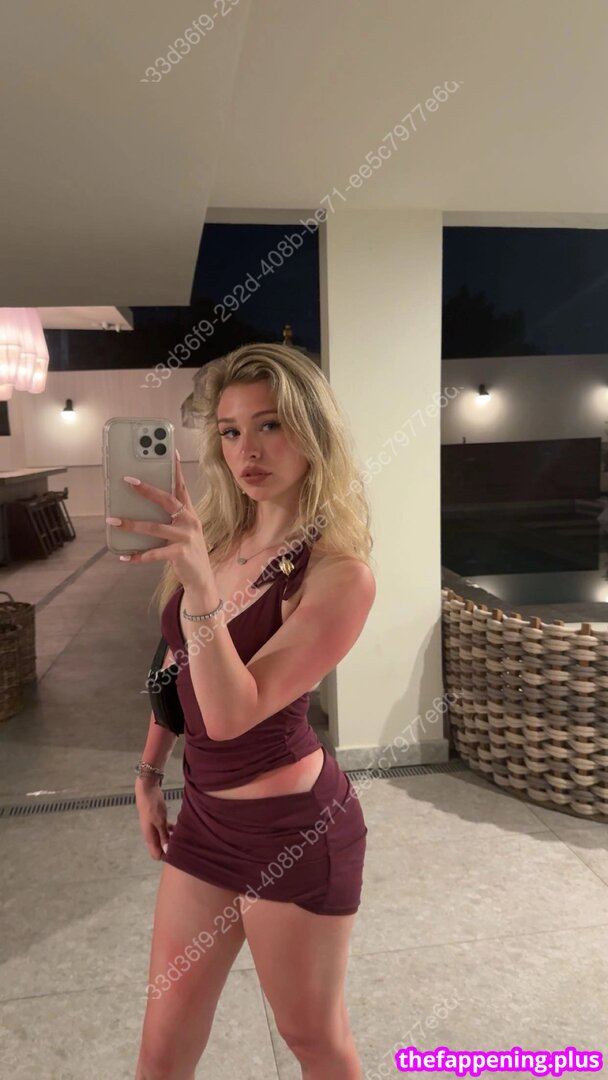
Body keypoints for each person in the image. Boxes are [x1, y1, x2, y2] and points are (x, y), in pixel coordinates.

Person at [123, 343, 376, 1079]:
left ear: (312, 432)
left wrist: (201, 588)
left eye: (269, 425)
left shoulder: (337, 574)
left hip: (295, 830)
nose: (247, 451)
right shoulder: (222, 539)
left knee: (312, 1039)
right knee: (161, 1046)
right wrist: (149, 771)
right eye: (231, 431)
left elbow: (236, 713)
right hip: (205, 820)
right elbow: (177, 666)